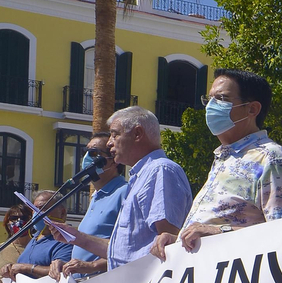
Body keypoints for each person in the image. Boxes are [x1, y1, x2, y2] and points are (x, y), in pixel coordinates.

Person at [150, 69, 282, 260]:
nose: (211, 107)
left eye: (221, 99)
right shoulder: (224, 157)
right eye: (209, 99)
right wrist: (177, 241)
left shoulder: (271, 157)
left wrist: (218, 232)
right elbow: (215, 224)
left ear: (252, 109)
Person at [67, 105, 191, 270]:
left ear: (138, 134)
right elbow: (125, 252)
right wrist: (76, 237)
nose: (110, 143)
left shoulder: (160, 170)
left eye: (115, 134)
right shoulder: (140, 177)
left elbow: (167, 242)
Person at [54, 134, 125, 278]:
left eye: (94, 153)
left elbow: (131, 248)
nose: (86, 157)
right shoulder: (97, 196)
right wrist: (66, 264)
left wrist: (92, 266)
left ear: (113, 161)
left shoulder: (125, 192)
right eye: (84, 152)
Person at [0, 191, 75, 282]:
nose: (36, 213)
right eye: (34, 209)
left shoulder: (66, 240)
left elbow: (61, 271)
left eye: (42, 209)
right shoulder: (35, 237)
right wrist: (10, 269)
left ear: (62, 213)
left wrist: (26, 268)